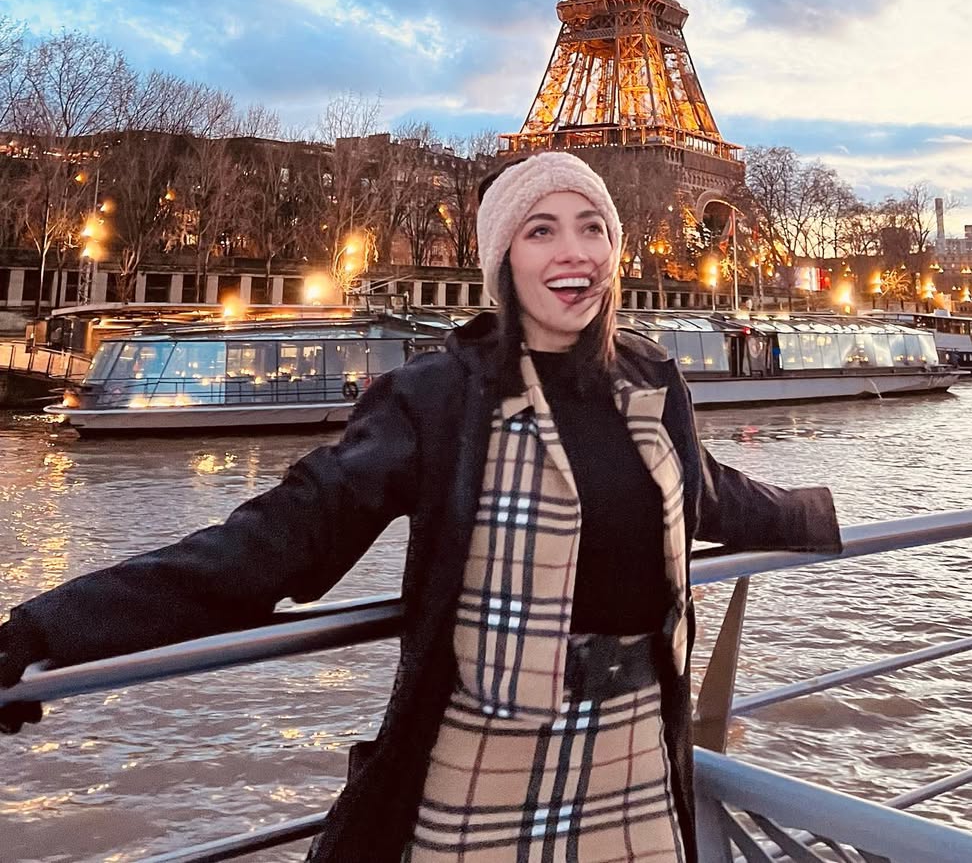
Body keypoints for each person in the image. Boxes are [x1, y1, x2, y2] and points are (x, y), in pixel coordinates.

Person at [0, 152, 841, 861]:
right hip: (486, 759)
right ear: (501, 258)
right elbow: (278, 539)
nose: (573, 251)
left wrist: (815, 515)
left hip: (637, 752)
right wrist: (49, 631)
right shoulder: (437, 396)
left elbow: (700, 493)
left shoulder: (650, 381)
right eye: (540, 230)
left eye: (592, 227)